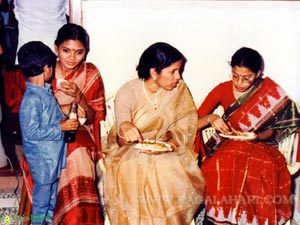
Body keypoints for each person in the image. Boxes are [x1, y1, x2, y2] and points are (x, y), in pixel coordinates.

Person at [103, 42, 206, 225]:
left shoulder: (178, 90)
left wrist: (170, 145)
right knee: (140, 166)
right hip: (128, 149)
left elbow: (185, 127)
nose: (178, 77)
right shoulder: (128, 92)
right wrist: (126, 127)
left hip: (165, 145)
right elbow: (122, 138)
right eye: (172, 71)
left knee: (171, 166)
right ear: (153, 72)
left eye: (179, 70)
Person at [195, 47, 300, 225]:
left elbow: (276, 130)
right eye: (235, 76)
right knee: (225, 164)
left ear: (258, 74)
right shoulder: (222, 89)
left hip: (261, 146)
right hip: (228, 146)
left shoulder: (269, 91)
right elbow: (194, 123)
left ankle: (250, 220)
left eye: (247, 77)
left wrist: (258, 136)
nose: (240, 82)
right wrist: (212, 118)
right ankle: (219, 218)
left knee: (263, 170)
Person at [18, 41, 79, 225]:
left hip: (53, 156)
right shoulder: (31, 100)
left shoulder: (45, 92)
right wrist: (60, 127)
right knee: (41, 201)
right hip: (42, 159)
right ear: (46, 68)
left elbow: (53, 115)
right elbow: (31, 132)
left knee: (52, 197)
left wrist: (67, 114)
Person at [51, 23, 106, 225]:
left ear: (86, 52)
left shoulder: (90, 73)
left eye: (78, 52)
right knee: (58, 148)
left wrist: (78, 95)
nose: (72, 57)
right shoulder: (44, 71)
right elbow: (32, 109)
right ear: (56, 47)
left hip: (80, 129)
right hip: (48, 129)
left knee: (78, 151)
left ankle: (80, 218)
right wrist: (61, 112)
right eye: (66, 50)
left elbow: (92, 117)